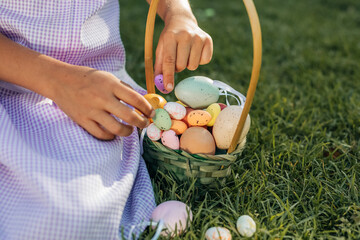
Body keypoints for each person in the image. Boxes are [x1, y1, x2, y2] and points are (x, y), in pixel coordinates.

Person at [0, 0, 212, 239]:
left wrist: (179, 13)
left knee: (65, 219)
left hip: (101, 91)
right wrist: (59, 82)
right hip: (13, 83)